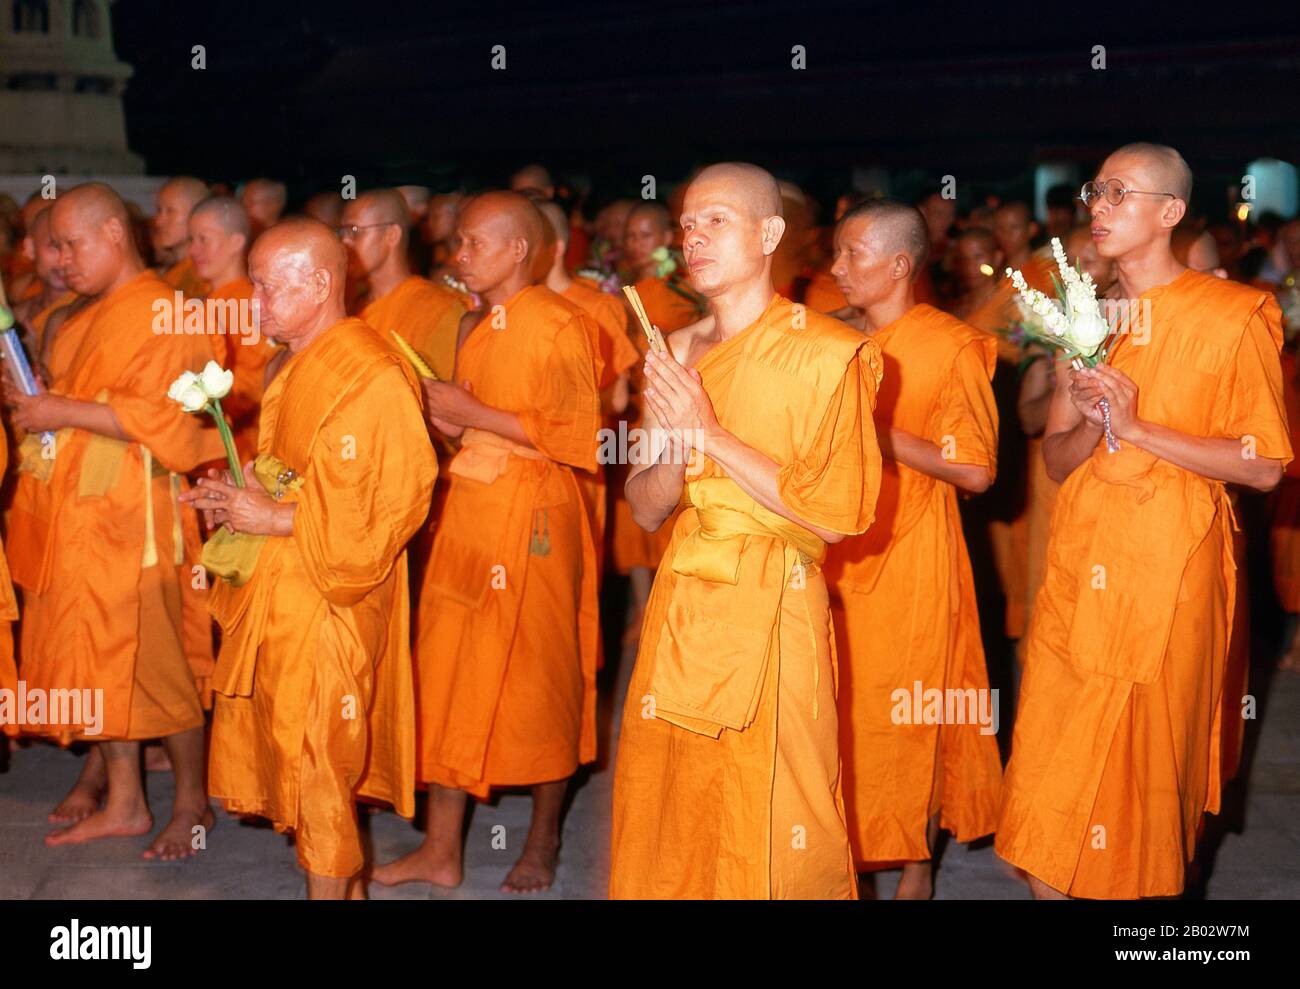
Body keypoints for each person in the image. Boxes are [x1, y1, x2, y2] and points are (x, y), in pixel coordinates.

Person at [996, 143, 1291, 899]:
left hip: (1171, 579)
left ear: (1170, 212)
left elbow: (1262, 464)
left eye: (1120, 193)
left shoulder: (1235, 312)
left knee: (1142, 787)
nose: (1098, 205)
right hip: (1080, 572)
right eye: (1096, 191)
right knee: (1050, 780)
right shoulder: (1088, 319)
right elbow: (1059, 462)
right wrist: (1098, 422)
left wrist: (1141, 425)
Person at [609, 163, 883, 898]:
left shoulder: (827, 351)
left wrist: (711, 433)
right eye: (688, 223)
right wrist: (674, 443)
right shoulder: (671, 350)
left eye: (717, 220)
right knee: (672, 795)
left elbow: (837, 511)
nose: (694, 236)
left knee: (779, 803)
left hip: (776, 601)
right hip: (684, 602)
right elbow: (643, 504)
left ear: (768, 234)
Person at [184, 218, 435, 899]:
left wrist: (275, 516)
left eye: (267, 288)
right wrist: (244, 492)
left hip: (334, 597)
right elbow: (293, 471)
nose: (254, 302)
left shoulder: (370, 372)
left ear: (321, 283)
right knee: (301, 757)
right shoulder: (293, 362)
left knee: (321, 763)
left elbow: (394, 503)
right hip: (285, 590)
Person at [373, 191, 601, 894]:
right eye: (459, 243)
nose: (458, 255)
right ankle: (441, 849)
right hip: (469, 509)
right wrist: (436, 413)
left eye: (473, 244)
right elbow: (471, 424)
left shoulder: (565, 325)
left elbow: (578, 434)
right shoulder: (474, 323)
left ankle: (542, 837)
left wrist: (473, 411)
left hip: (534, 516)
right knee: (445, 673)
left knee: (540, 679)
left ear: (518, 251)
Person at [5, 183, 223, 859]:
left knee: (160, 667)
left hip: (137, 518)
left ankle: (191, 804)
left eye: (72, 244)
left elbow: (172, 420)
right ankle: (125, 799)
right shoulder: (79, 315)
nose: (60, 259)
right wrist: (34, 399)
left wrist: (61, 411)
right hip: (74, 511)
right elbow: (73, 397)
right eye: (54, 246)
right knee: (97, 664)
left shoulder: (170, 312)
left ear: (113, 234)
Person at [823, 199, 1002, 899]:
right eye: (836, 253)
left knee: (906, 711)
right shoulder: (831, 337)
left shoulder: (950, 344)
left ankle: (915, 864)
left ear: (900, 265)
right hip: (837, 544)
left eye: (852, 255)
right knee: (838, 708)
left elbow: (977, 469)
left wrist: (877, 431)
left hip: (914, 552)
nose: (836, 268)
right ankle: (841, 859)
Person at [341, 188, 466, 382]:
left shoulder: (438, 307)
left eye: (355, 231)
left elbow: (443, 398)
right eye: (343, 232)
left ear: (391, 235)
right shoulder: (352, 307)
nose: (345, 242)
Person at [153, 176, 210, 297]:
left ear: (196, 215)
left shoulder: (202, 274)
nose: (159, 221)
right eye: (159, 210)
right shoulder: (171, 272)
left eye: (170, 211)